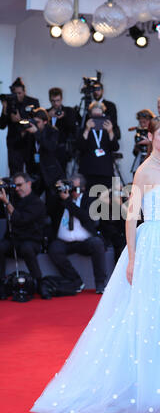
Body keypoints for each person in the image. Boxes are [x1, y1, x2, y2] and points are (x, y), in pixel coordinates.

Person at [30, 115, 160, 413]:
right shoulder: (144, 171)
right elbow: (131, 216)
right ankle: (149, 380)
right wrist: (133, 258)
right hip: (151, 243)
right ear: (150, 137)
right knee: (147, 309)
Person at [48, 174, 107, 294]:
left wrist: (68, 202)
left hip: (85, 242)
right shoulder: (60, 200)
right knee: (54, 248)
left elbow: (85, 217)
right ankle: (75, 281)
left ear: (83, 188)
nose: (71, 191)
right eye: (69, 188)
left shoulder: (89, 200)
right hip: (65, 242)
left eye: (74, 189)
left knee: (97, 244)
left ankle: (100, 283)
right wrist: (57, 188)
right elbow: (49, 209)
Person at [0, 172, 48, 300]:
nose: (17, 188)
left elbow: (21, 220)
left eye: (20, 185)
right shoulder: (13, 197)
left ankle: (40, 283)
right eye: (15, 186)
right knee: (1, 247)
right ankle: (1, 286)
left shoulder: (37, 202)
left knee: (27, 248)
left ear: (29, 183)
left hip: (31, 241)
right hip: (13, 240)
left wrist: (7, 203)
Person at [77, 101, 120, 191]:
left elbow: (115, 147)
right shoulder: (85, 129)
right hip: (89, 171)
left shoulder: (107, 129)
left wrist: (110, 131)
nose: (97, 119)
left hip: (105, 171)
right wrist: (87, 129)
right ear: (90, 115)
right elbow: (80, 147)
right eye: (94, 116)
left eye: (99, 116)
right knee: (90, 200)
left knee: (105, 200)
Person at [0, 77, 40, 175]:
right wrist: (4, 109)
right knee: (15, 173)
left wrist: (20, 120)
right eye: (15, 93)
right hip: (14, 144)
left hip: (29, 142)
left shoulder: (33, 102)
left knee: (32, 172)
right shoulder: (9, 103)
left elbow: (36, 122)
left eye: (20, 93)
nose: (17, 96)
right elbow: (2, 125)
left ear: (24, 91)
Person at [46, 87, 78, 176]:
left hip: (62, 149)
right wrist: (48, 116)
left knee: (63, 175)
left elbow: (72, 129)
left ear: (61, 99)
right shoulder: (46, 112)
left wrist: (64, 117)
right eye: (53, 101)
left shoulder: (68, 111)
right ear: (49, 100)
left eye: (58, 100)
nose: (56, 103)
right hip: (48, 150)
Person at [130, 109, 155, 175]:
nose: (142, 125)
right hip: (139, 163)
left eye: (144, 122)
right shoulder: (139, 133)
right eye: (140, 123)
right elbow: (135, 153)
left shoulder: (156, 133)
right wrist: (137, 146)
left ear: (151, 121)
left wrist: (150, 143)